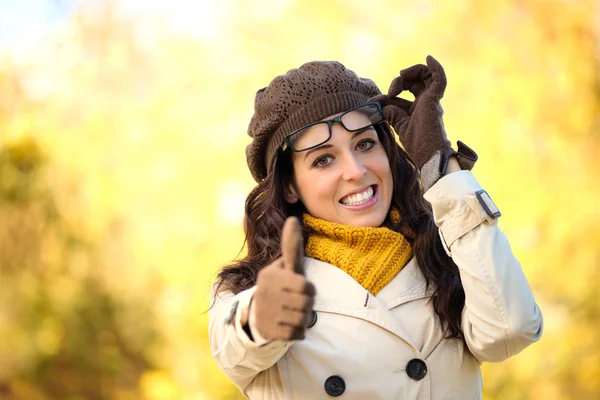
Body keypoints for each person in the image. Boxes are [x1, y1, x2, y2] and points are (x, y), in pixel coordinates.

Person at [209, 56, 543, 399]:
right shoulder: (244, 289)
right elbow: (233, 348)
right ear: (290, 185)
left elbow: (511, 331)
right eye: (323, 159)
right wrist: (260, 318)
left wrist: (443, 171)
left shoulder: (447, 251)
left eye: (365, 144)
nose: (355, 170)